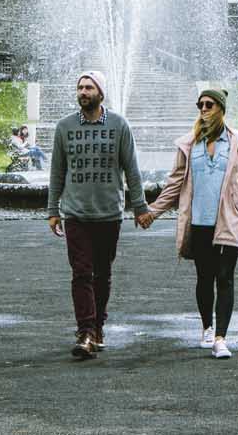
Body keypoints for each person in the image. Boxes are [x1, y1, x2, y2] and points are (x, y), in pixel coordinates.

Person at [139, 87, 238, 360]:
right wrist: (152, 212)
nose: (203, 110)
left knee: (225, 278)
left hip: (229, 221)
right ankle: (207, 327)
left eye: (208, 105)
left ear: (221, 109)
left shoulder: (237, 142)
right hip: (200, 222)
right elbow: (174, 185)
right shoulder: (189, 144)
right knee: (205, 278)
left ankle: (221, 338)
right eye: (200, 105)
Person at [46, 70, 149, 360]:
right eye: (80, 87)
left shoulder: (119, 125)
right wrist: (53, 210)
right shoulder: (64, 127)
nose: (83, 92)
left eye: (89, 87)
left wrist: (140, 207)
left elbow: (132, 169)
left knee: (102, 274)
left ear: (100, 93)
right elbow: (57, 172)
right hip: (75, 214)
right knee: (81, 273)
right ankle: (86, 332)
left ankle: (98, 325)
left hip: (108, 214)